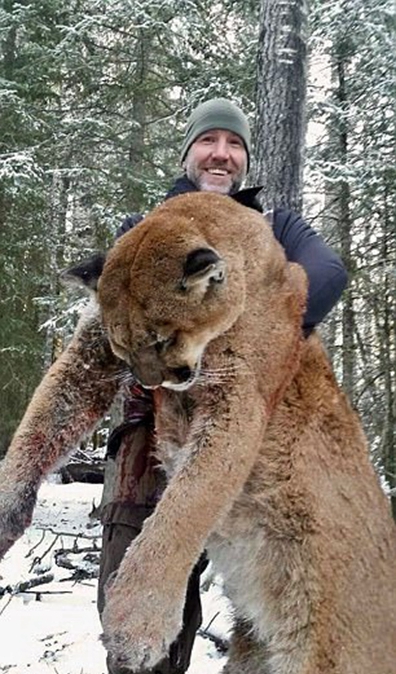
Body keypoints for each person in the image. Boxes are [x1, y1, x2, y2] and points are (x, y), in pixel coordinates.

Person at [97, 98, 348, 674]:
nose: (222, 154)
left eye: (234, 145)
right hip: (153, 433)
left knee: (272, 612)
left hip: (257, 445)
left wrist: (244, 330)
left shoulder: (276, 225)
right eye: (209, 141)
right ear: (187, 153)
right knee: (136, 617)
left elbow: (328, 273)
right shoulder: (144, 229)